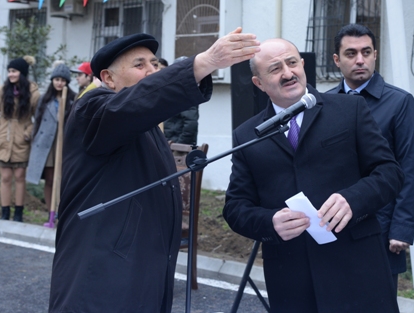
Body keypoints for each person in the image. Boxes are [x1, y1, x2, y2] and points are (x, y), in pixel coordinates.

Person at [49, 29, 259, 313]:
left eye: (155, 64)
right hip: (102, 273)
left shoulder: (146, 124)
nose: (151, 71)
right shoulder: (92, 108)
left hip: (144, 267)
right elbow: (132, 105)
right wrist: (203, 63)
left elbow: (145, 104)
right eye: (139, 65)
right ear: (108, 78)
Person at [223, 38, 404, 313]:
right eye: (275, 69)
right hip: (291, 277)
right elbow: (235, 208)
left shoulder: (349, 110)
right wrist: (270, 222)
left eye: (292, 63)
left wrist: (353, 200)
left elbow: (390, 173)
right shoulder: (247, 135)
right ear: (258, 83)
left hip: (356, 267)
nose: (288, 73)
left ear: (303, 65)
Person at [328, 24, 414, 309]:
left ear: (375, 55)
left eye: (366, 52)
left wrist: (401, 228)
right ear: (337, 60)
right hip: (335, 224)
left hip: (380, 227)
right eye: (351, 53)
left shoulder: (399, 103)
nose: (360, 60)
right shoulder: (326, 103)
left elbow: (410, 168)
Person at [0, 56, 40, 222]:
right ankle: (4, 213)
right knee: (5, 178)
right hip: (4, 139)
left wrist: (28, 132)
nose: (10, 74)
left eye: (14, 71)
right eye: (9, 71)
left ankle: (18, 213)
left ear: (22, 73)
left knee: (19, 177)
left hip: (21, 141)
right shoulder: (3, 90)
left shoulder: (33, 92)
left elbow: (38, 117)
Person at [26, 63, 76, 213]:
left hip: (63, 143)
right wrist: (34, 140)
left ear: (67, 82)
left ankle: (61, 211)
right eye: (57, 79)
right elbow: (37, 121)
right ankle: (50, 212)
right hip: (46, 143)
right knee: (49, 178)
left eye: (63, 80)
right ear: (52, 80)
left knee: (61, 179)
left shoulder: (72, 99)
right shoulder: (44, 99)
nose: (59, 83)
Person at [160, 57, 199, 145]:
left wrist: (179, 145)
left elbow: (190, 124)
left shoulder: (187, 92)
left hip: (178, 146)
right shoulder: (173, 90)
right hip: (171, 143)